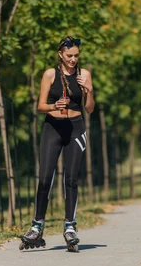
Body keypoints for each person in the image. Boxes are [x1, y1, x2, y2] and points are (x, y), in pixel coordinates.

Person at [20, 36, 95, 253]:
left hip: (76, 128)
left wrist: (88, 90)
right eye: (69, 55)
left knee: (71, 179)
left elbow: (89, 108)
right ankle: (37, 227)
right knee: (45, 178)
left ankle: (70, 226)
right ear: (60, 54)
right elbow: (40, 106)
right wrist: (54, 105)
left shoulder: (84, 75)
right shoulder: (50, 74)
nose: (73, 59)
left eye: (76, 56)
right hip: (53, 128)